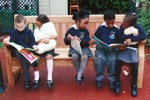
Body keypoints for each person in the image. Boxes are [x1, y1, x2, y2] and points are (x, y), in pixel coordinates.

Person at [3, 14, 40, 89]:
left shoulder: (29, 32)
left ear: (25, 24)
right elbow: (11, 43)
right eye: (18, 27)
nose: (20, 29)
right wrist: (7, 45)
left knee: (24, 59)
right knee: (21, 55)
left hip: (26, 51)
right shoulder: (13, 32)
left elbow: (32, 42)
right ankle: (32, 66)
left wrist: (34, 46)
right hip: (16, 51)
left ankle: (26, 80)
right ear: (15, 25)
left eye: (22, 26)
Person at [114, 13, 146, 97]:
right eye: (123, 22)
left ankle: (134, 85)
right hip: (124, 48)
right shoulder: (122, 26)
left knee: (135, 63)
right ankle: (117, 82)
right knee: (118, 61)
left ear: (132, 24)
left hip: (133, 49)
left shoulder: (137, 27)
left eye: (126, 24)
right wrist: (125, 39)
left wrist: (131, 38)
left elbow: (144, 35)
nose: (123, 25)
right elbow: (120, 36)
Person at [64, 10, 93, 85]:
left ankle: (79, 76)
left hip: (84, 48)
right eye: (85, 23)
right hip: (74, 48)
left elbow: (87, 42)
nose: (86, 25)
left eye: (87, 23)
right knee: (74, 57)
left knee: (84, 57)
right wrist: (68, 38)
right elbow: (66, 42)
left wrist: (80, 41)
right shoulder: (71, 30)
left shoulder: (85, 31)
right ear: (78, 21)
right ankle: (80, 73)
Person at [94, 10, 120, 89]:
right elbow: (95, 38)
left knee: (113, 59)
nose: (110, 25)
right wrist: (93, 40)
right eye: (108, 23)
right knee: (100, 59)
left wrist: (117, 46)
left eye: (112, 23)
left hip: (111, 51)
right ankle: (99, 79)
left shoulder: (116, 29)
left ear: (114, 21)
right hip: (101, 49)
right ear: (105, 21)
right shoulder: (101, 28)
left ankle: (112, 80)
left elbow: (119, 41)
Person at [34, 14, 58, 88]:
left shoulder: (49, 26)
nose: (38, 26)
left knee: (49, 56)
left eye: (39, 25)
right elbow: (36, 41)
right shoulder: (36, 30)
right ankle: (37, 78)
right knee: (35, 58)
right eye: (36, 24)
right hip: (40, 47)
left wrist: (48, 37)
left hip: (49, 47)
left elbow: (55, 36)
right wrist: (42, 40)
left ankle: (49, 78)